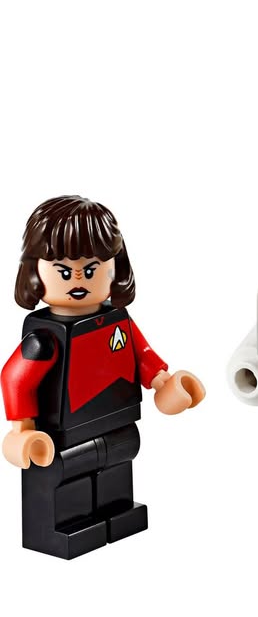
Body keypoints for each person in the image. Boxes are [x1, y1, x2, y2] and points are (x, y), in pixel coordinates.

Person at [1, 195, 205, 558]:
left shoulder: (117, 321)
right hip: (62, 438)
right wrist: (23, 429)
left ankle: (116, 512)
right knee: (66, 477)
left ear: (115, 268)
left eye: (92, 268)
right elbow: (16, 378)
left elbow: (140, 354)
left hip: (118, 424)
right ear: (35, 272)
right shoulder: (45, 337)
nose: (78, 279)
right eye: (64, 271)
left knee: (117, 468)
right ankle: (64, 527)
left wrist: (163, 382)